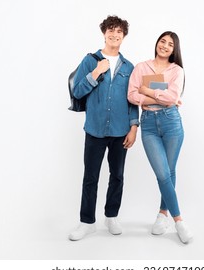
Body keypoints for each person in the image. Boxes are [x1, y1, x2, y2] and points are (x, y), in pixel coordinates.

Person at [69, 15, 139, 241]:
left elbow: (132, 100)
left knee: (117, 175)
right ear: (104, 32)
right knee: (90, 177)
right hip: (95, 130)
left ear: (124, 36)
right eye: (110, 29)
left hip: (120, 132)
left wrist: (133, 127)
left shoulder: (129, 67)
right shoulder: (90, 61)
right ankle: (86, 222)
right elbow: (77, 92)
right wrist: (96, 72)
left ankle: (111, 216)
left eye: (119, 31)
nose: (114, 34)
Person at [127, 31, 192, 244]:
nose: (164, 46)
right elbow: (131, 94)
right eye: (162, 41)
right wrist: (158, 93)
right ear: (156, 43)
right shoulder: (141, 67)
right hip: (148, 125)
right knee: (163, 173)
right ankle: (179, 220)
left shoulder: (177, 70)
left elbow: (174, 97)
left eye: (170, 44)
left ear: (175, 49)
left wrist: (147, 89)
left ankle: (162, 214)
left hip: (171, 122)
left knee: (169, 170)